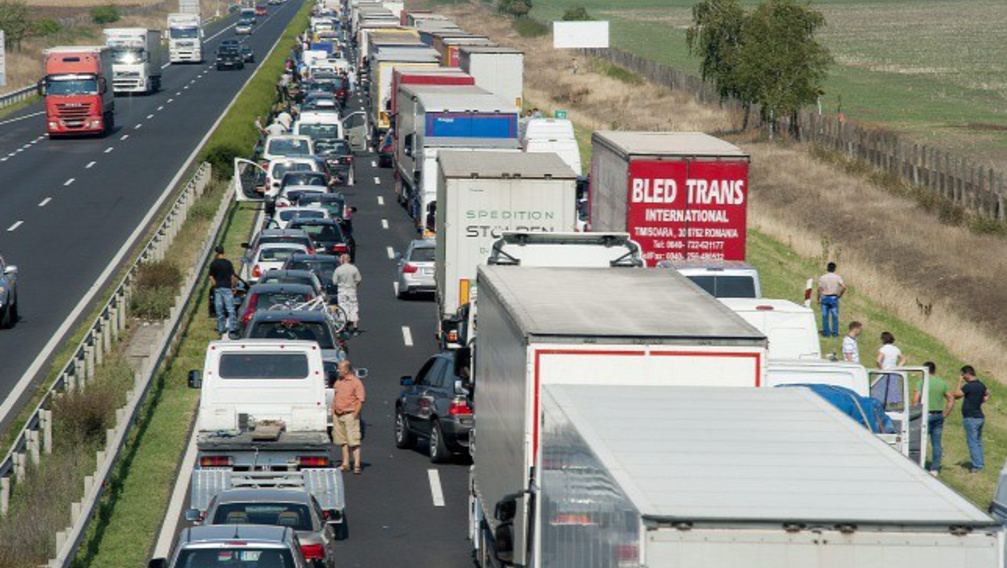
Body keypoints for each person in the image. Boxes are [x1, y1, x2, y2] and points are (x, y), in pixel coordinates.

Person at [911, 361, 953, 475]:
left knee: (919, 440)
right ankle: (934, 468)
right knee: (936, 443)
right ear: (934, 370)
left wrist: (913, 411)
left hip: (925, 415)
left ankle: (919, 463)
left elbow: (915, 400)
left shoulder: (921, 382)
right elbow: (951, 399)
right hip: (938, 415)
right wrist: (945, 413)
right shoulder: (942, 383)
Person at [953, 365, 990, 473]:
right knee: (978, 441)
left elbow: (956, 395)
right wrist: (983, 400)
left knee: (972, 442)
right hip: (980, 417)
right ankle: (980, 463)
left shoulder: (969, 386)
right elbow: (988, 393)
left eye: (963, 375)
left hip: (971, 417)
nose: (962, 377)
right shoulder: (981, 385)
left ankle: (977, 465)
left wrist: (959, 382)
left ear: (967, 374)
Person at [332, 360, 365, 474]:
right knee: (343, 441)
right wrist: (333, 411)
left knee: (354, 440)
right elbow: (336, 396)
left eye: (340, 369)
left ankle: (356, 464)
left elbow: (360, 400)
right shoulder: (338, 382)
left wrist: (355, 414)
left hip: (350, 414)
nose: (338, 370)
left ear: (346, 370)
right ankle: (345, 463)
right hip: (338, 414)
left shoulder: (356, 382)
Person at [208, 245, 238, 337]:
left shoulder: (213, 263)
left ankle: (221, 328)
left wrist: (215, 284)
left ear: (216, 254)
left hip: (218, 289)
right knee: (230, 308)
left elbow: (211, 276)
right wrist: (233, 286)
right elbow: (232, 277)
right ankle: (232, 328)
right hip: (227, 288)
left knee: (219, 309)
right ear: (223, 253)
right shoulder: (228, 263)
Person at [871, 331, 906, 406]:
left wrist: (881, 369)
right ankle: (894, 409)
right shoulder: (896, 349)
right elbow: (903, 359)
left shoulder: (883, 349)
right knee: (893, 395)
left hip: (885, 373)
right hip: (894, 373)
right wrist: (898, 367)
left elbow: (878, 360)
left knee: (879, 394)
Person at [333, 254, 362, 333]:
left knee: (343, 308)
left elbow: (334, 282)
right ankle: (355, 327)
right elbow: (358, 279)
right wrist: (354, 285)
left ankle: (344, 326)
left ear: (342, 259)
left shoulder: (338, 269)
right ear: (349, 259)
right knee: (353, 307)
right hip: (351, 290)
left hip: (342, 291)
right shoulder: (354, 269)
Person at [817, 262, 846, 337]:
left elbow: (820, 289)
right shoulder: (837, 277)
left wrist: (818, 298)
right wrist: (840, 294)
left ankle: (826, 333)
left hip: (825, 297)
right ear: (835, 269)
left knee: (825, 316)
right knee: (835, 316)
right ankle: (835, 333)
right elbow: (844, 287)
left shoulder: (822, 277)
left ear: (827, 268)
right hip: (834, 297)